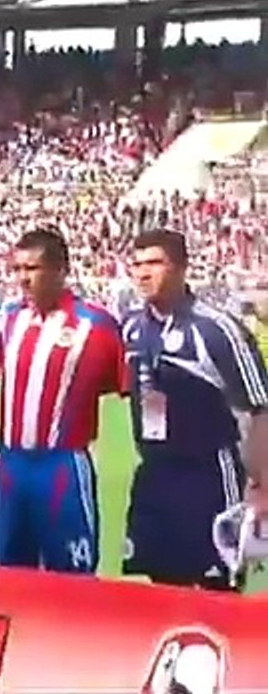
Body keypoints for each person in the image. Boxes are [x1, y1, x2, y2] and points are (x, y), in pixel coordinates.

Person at [121, 229, 268, 591]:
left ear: (182, 268)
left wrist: (261, 487)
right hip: (154, 475)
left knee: (217, 592)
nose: (143, 273)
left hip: (209, 477)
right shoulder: (132, 329)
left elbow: (260, 409)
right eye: (137, 264)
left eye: (155, 263)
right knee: (162, 591)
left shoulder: (216, 330)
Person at [0, 229, 126, 574]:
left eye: (32, 268)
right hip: (9, 461)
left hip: (60, 466)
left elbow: (123, 383)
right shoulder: (13, 318)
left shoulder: (95, 324)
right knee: (7, 570)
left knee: (71, 573)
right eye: (17, 269)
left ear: (60, 270)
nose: (23, 279)